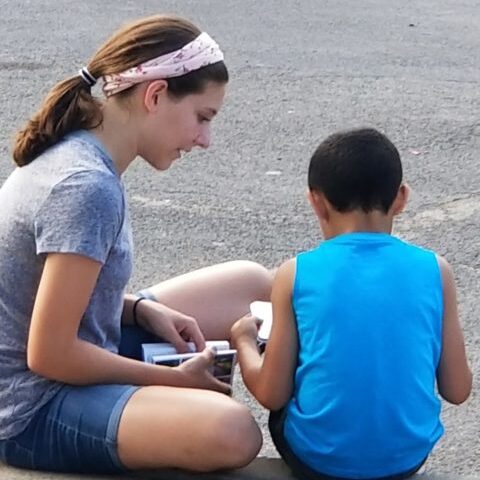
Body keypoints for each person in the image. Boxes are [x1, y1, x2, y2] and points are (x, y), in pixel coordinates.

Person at [0, 14, 273, 474]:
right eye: (202, 118)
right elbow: (48, 353)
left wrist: (139, 310)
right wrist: (169, 380)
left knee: (252, 284)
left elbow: (36, 286)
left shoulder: (80, 148)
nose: (204, 140)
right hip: (30, 406)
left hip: (70, 348)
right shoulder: (87, 187)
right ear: (155, 95)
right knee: (233, 431)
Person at [231, 128, 472, 480]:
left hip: (318, 461)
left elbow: (272, 392)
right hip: (406, 459)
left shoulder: (295, 273)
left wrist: (243, 341)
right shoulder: (437, 270)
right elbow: (457, 389)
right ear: (401, 198)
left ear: (316, 201)